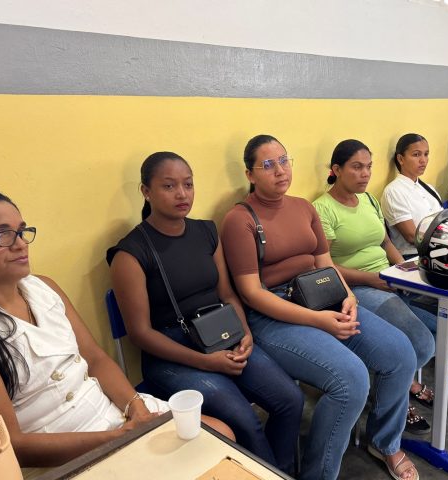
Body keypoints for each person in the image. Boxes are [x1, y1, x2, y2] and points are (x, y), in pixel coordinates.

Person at [0, 189, 232, 468]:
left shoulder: (44, 287)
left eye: (22, 231)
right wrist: (121, 437)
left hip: (113, 411)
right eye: (3, 235)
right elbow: (15, 444)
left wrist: (137, 409)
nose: (21, 243)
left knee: (220, 434)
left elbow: (95, 358)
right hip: (66, 448)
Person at [222, 135, 419, 480]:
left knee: (401, 353)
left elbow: (324, 264)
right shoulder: (240, 220)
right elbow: (252, 294)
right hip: (273, 313)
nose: (280, 170)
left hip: (320, 295)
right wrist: (320, 321)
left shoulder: (303, 207)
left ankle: (384, 442)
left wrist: (349, 297)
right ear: (250, 174)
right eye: (267, 165)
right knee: (351, 380)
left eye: (284, 161)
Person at [106, 152, 303, 474]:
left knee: (290, 400)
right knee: (242, 419)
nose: (182, 194)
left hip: (222, 335)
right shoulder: (131, 253)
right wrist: (206, 362)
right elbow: (141, 333)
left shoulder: (206, 232)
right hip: (171, 354)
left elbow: (227, 294)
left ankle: (278, 470)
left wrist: (245, 334)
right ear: (146, 191)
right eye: (169, 186)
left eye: (188, 184)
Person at [312, 139, 442, 435]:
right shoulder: (323, 209)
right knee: (422, 344)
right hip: (356, 288)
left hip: (388, 279)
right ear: (336, 170)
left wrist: (404, 269)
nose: (365, 174)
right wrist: (371, 279)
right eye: (357, 167)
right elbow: (324, 266)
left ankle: (401, 383)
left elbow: (384, 242)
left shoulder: (369, 200)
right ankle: (391, 400)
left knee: (442, 325)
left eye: (369, 167)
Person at [380, 133, 448, 357]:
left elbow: (446, 222)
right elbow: (412, 236)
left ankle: (441, 344)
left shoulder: (428, 188)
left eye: (426, 154)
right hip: (414, 256)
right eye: (416, 155)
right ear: (401, 158)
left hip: (441, 251)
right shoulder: (394, 191)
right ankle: (442, 345)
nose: (423, 160)